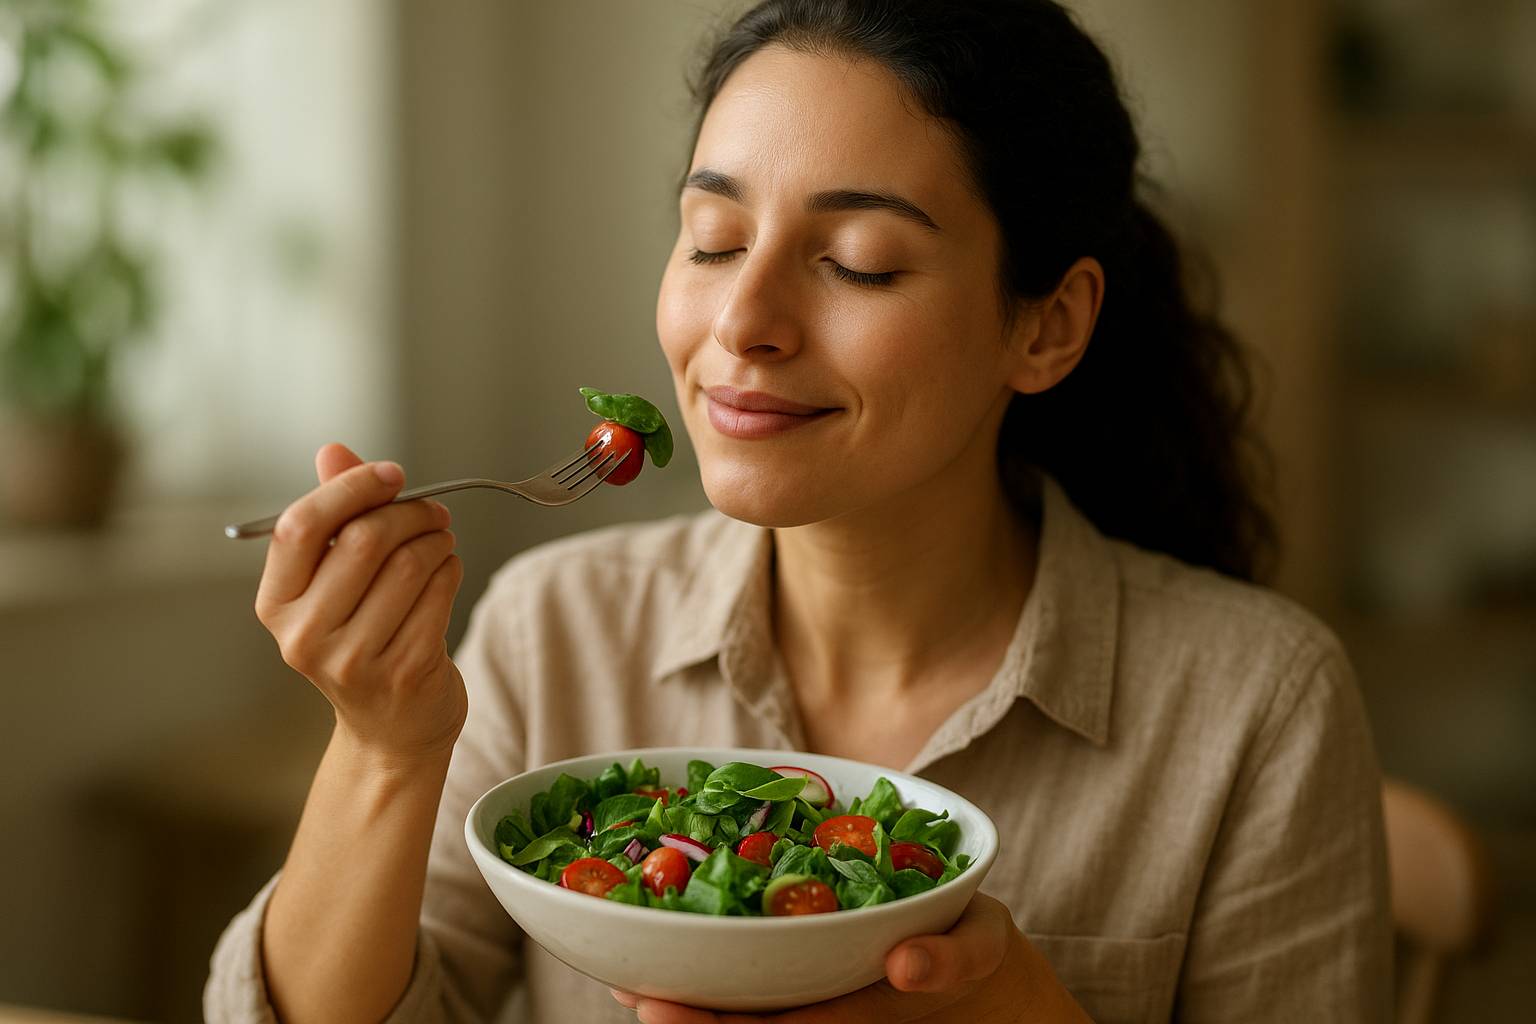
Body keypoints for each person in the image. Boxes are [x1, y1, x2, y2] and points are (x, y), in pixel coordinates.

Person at [205, 1, 1392, 1022]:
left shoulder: (1257, 706)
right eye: (713, 240)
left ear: (1047, 326)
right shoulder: (554, 627)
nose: (742, 323)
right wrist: (383, 747)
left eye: (861, 261)